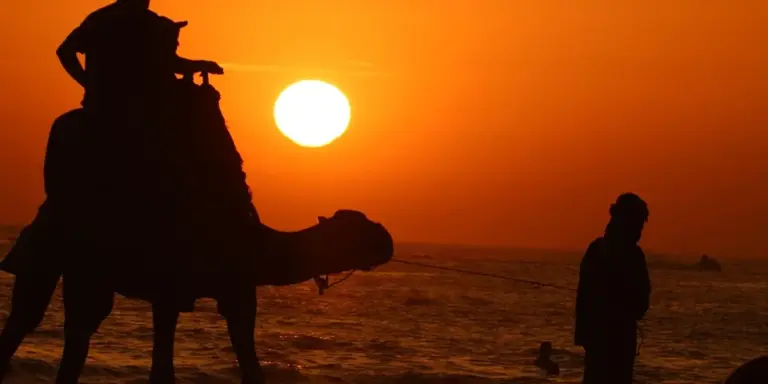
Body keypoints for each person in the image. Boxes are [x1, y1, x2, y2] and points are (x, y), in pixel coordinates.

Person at [575, 193, 651, 384]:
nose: (639, 231)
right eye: (637, 224)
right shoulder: (633, 256)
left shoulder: (596, 250)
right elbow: (642, 303)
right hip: (612, 343)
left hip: (601, 342)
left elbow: (583, 299)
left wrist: (584, 336)